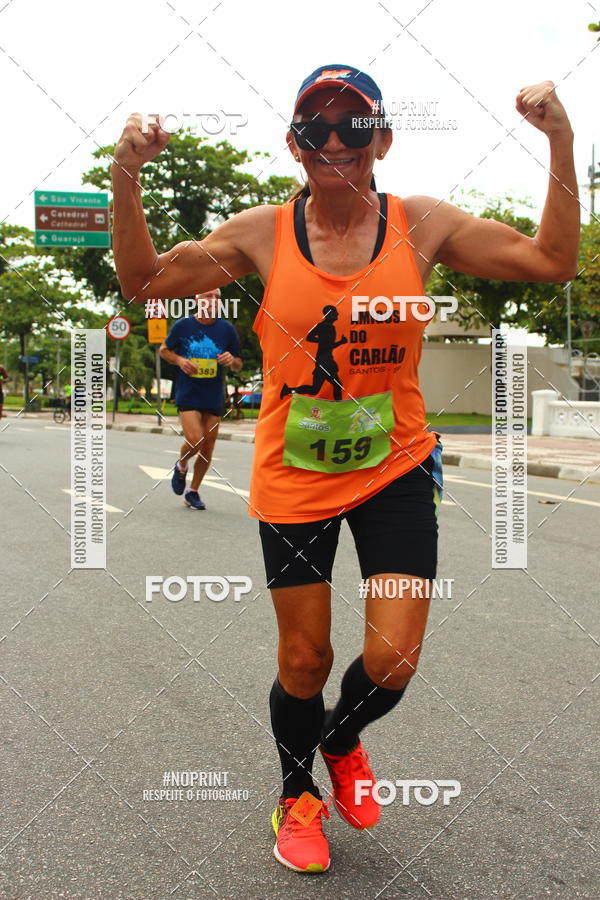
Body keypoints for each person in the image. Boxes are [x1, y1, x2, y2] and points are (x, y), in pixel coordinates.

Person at [111, 66, 579, 873]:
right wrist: (125, 175)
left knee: (394, 661)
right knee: (305, 660)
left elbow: (551, 261)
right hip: (295, 473)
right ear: (294, 145)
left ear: (382, 141)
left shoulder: (421, 224)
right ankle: (297, 795)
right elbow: (145, 283)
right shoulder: (261, 232)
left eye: (354, 126)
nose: (336, 142)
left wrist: (561, 143)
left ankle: (342, 739)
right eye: (317, 128)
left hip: (394, 465)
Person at [159, 290, 242, 510]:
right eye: (207, 296)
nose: (212, 300)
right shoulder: (183, 325)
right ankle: (182, 464)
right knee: (195, 439)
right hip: (188, 391)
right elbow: (164, 350)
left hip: (213, 393)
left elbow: (238, 363)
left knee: (208, 445)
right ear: (197, 300)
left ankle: (193, 491)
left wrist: (231, 360)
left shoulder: (226, 329)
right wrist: (179, 360)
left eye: (216, 297)